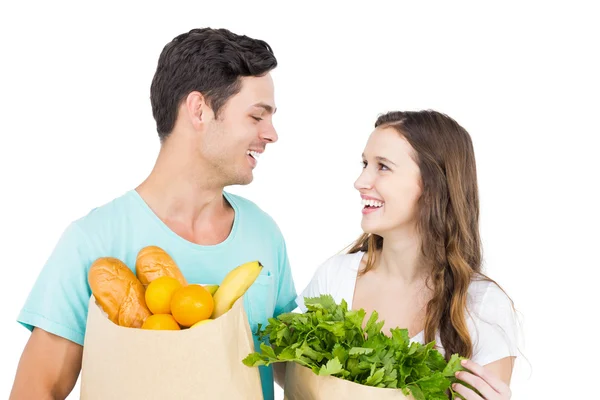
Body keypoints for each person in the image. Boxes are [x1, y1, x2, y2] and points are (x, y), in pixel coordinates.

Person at [10, 27, 297, 400]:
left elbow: (293, 367)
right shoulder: (95, 239)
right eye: (257, 116)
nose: (272, 134)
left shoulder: (264, 234)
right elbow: (37, 390)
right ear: (199, 110)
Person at [297, 110, 519, 399]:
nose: (361, 181)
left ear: (432, 185)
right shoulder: (334, 276)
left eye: (383, 167)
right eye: (365, 164)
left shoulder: (483, 306)